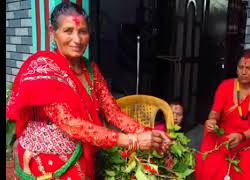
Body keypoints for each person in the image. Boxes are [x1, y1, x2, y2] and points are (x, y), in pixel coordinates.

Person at [6, 2, 170, 180]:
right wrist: (133, 141)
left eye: (82, 31)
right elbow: (71, 124)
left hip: (82, 156)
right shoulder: (43, 69)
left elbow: (112, 112)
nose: (77, 39)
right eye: (68, 31)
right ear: (53, 32)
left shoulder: (90, 70)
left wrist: (146, 133)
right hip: (48, 165)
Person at [195, 49, 250, 180]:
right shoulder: (225, 86)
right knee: (210, 161)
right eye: (241, 67)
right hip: (224, 138)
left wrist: (242, 136)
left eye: (249, 68)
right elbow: (215, 112)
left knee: (248, 165)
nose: (244, 72)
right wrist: (211, 121)